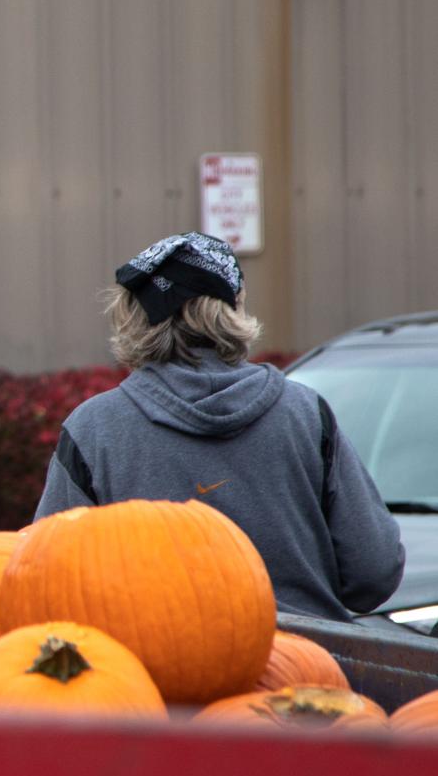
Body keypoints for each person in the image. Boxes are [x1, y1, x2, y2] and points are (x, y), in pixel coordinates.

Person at [34, 231, 405, 622]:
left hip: (153, 668)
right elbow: (374, 574)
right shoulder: (306, 414)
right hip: (310, 668)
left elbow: (51, 578)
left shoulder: (95, 430)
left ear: (133, 316)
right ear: (234, 308)